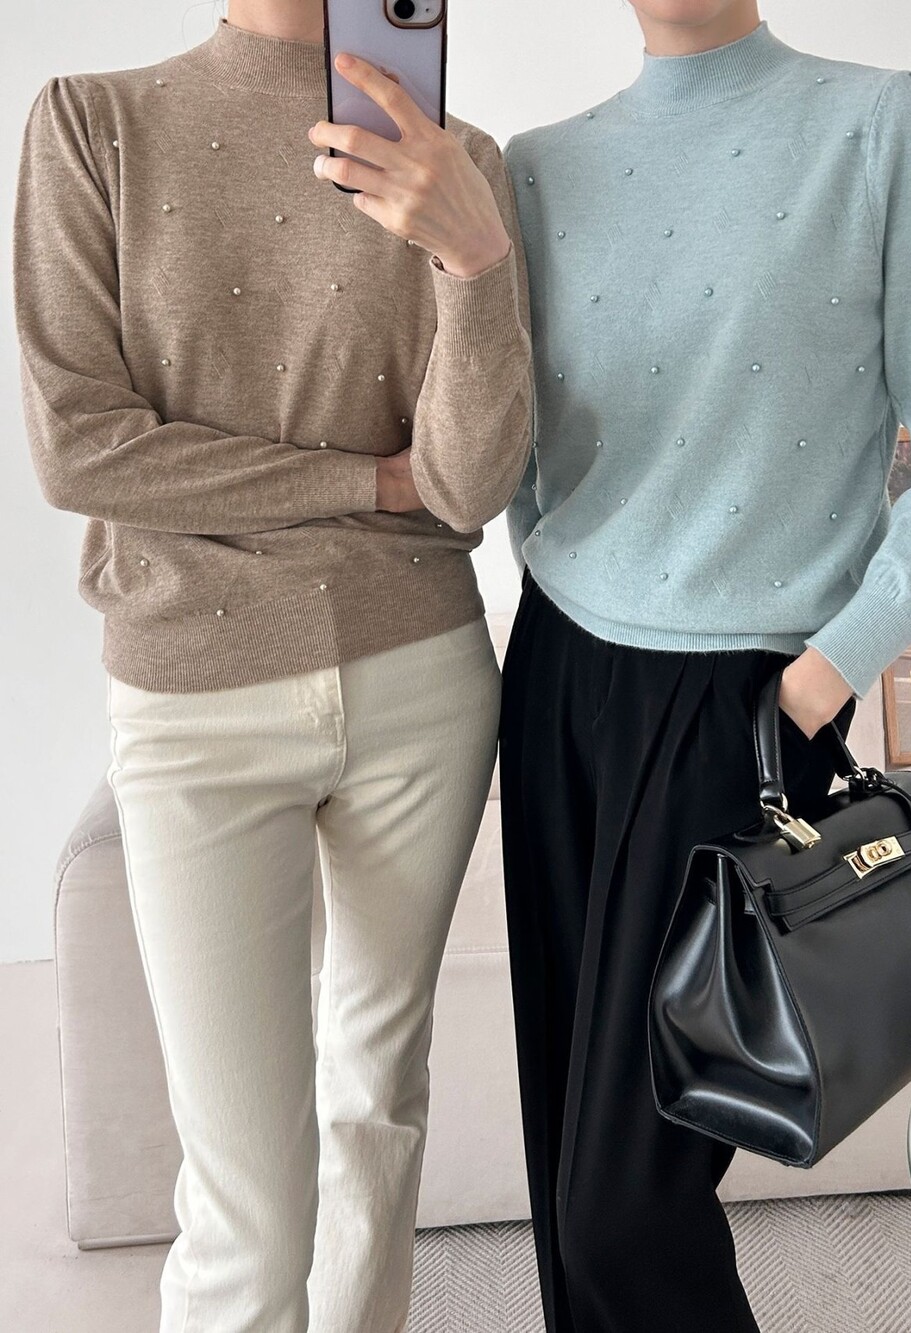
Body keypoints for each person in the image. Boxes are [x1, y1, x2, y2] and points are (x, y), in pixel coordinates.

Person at [13, 2, 531, 1328]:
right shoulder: (93, 123)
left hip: (423, 681)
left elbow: (469, 485)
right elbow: (83, 449)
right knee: (248, 1202)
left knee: (378, 1107)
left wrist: (475, 261)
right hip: (197, 696)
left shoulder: (454, 156)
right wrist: (367, 480)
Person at [498, 2, 911, 1330]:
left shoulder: (889, 126)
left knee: (624, 1208)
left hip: (743, 705)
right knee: (569, 1172)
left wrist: (818, 681)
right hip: (556, 675)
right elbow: (528, 464)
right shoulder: (534, 166)